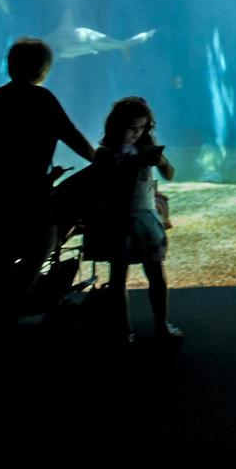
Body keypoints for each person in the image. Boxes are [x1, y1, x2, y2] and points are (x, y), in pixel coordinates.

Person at [0, 37, 95, 320]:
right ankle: (13, 300)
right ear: (44, 69)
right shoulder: (41, 98)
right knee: (43, 242)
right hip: (24, 191)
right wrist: (101, 161)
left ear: (9, 65)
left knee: (3, 245)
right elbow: (71, 135)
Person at [84, 96, 180, 342]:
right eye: (132, 128)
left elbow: (169, 174)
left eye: (141, 128)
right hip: (117, 221)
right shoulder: (105, 153)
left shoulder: (146, 148)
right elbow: (100, 186)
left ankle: (162, 324)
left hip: (146, 219)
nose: (137, 133)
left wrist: (161, 161)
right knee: (118, 277)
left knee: (156, 273)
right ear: (117, 126)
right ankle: (124, 330)